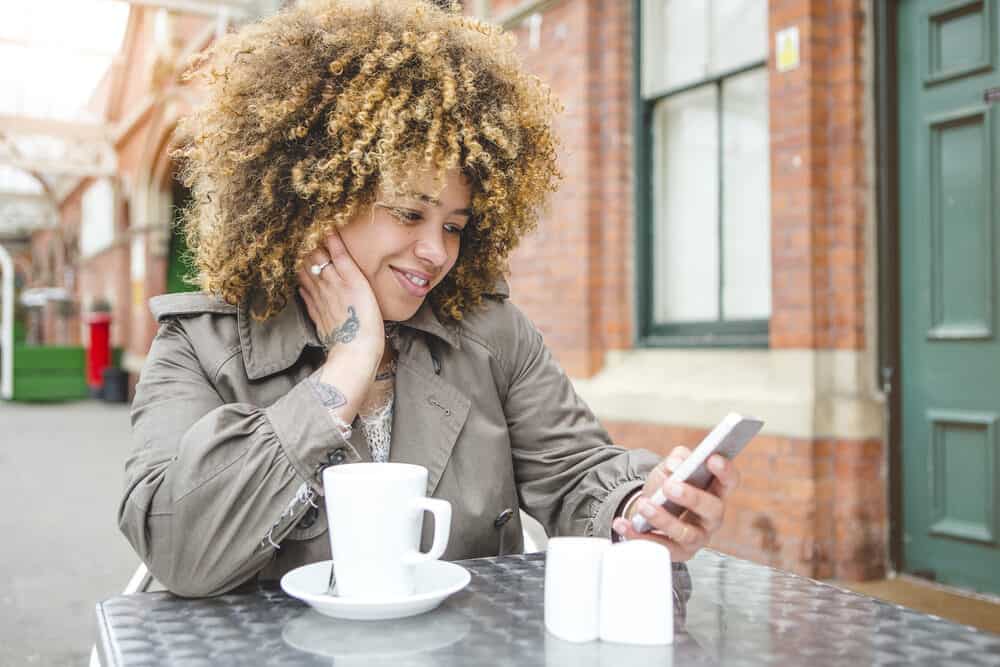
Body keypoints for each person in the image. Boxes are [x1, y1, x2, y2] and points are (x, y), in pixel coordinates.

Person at [119, 0, 741, 598]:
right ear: (316, 197)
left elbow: (576, 472)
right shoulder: (200, 346)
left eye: (453, 225)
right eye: (409, 213)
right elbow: (179, 547)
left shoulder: (491, 334)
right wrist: (346, 369)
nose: (437, 252)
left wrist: (642, 508)